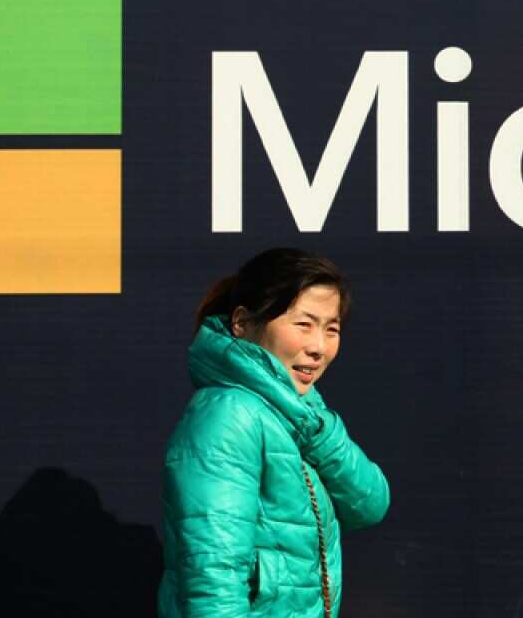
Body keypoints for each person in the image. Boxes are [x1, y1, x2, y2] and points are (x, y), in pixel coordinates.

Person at [158, 248, 390, 618]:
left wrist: (313, 425)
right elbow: (212, 575)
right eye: (303, 324)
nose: (318, 347)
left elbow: (369, 503)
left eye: (331, 329)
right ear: (242, 323)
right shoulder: (228, 416)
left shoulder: (300, 413)